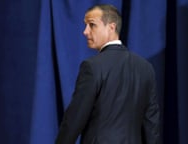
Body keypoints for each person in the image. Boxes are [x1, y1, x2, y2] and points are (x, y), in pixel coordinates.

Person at [55, 4, 160, 144]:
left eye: (92, 25)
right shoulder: (146, 68)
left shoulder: (92, 67)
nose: (85, 32)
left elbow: (74, 119)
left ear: (111, 27)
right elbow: (151, 125)